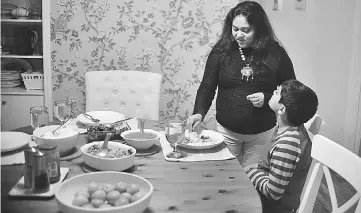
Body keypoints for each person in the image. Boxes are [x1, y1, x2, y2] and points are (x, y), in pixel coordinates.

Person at [187, 1, 296, 166]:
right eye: (235, 29)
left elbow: (290, 89)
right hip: (226, 132)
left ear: (259, 29)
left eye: (246, 30)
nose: (238, 35)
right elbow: (207, 86)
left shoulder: (275, 52)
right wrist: (199, 112)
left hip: (262, 134)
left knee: (252, 183)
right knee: (226, 180)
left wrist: (267, 98)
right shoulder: (222, 50)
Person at [245, 79, 319, 213]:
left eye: (277, 92)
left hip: (276, 207)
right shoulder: (285, 127)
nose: (273, 92)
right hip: (271, 196)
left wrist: (251, 173)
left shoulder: (288, 143)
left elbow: (273, 193)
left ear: (282, 109)